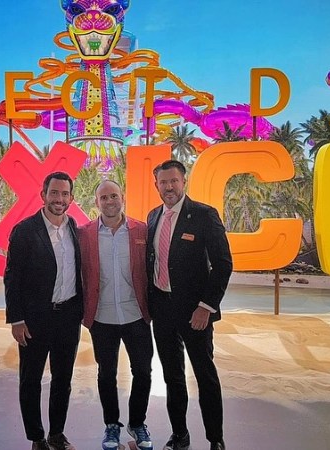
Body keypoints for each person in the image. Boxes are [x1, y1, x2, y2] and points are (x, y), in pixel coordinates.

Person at [146, 160, 233, 450]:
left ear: (184, 182)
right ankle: (180, 435)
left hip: (196, 312)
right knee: (172, 376)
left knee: (205, 375)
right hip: (162, 309)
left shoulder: (205, 215)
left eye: (174, 181)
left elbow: (223, 264)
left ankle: (215, 439)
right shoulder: (153, 216)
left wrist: (206, 307)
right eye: (163, 182)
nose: (169, 187)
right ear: (156, 185)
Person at [4, 171, 83, 450]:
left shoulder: (75, 229)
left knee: (63, 379)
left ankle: (56, 434)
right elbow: (12, 277)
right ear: (43, 195)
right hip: (34, 319)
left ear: (71, 198)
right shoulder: (25, 231)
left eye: (64, 194)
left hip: (68, 317)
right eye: (54, 193)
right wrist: (16, 319)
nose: (59, 199)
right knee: (31, 379)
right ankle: (37, 437)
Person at [78, 180, 154, 450]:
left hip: (136, 315)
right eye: (104, 198)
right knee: (106, 374)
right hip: (102, 318)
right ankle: (111, 425)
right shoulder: (84, 234)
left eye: (113, 196)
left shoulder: (141, 230)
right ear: (96, 202)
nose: (109, 201)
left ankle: (137, 423)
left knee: (143, 371)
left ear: (122, 197)